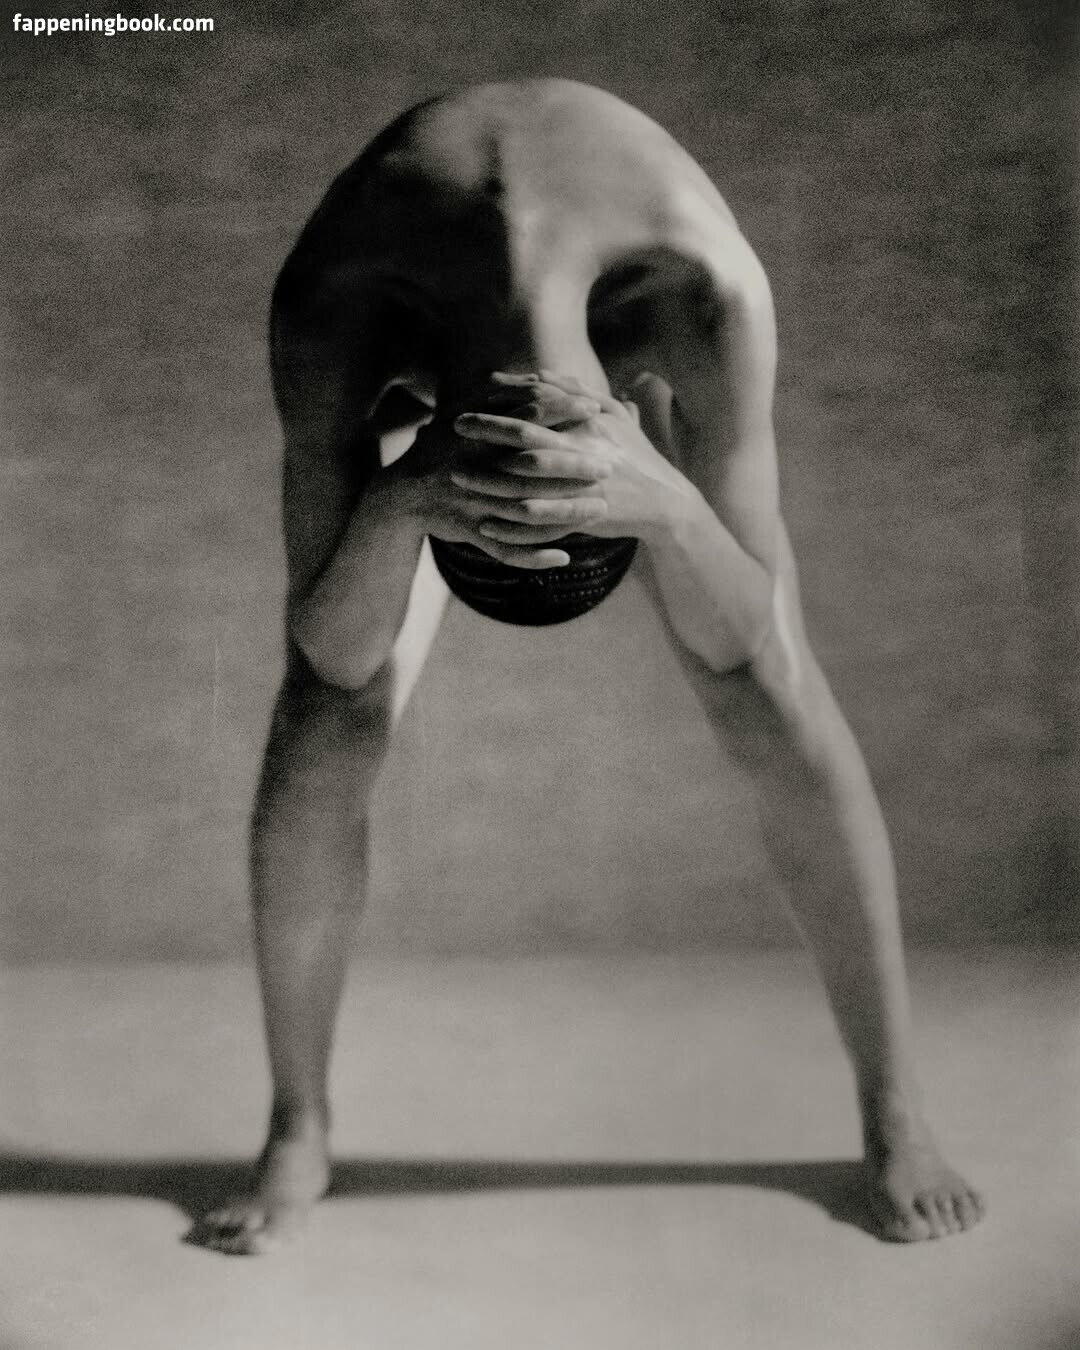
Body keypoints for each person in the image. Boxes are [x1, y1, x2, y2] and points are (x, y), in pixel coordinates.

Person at [194, 79, 984, 1253]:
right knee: (324, 716)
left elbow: (750, 636)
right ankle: (296, 1120)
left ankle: (895, 1108)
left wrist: (669, 505)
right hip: (423, 345)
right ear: (440, 448)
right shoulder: (340, 304)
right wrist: (400, 504)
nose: (527, 468)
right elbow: (330, 652)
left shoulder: (698, 290)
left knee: (774, 691)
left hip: (613, 324)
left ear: (620, 419)